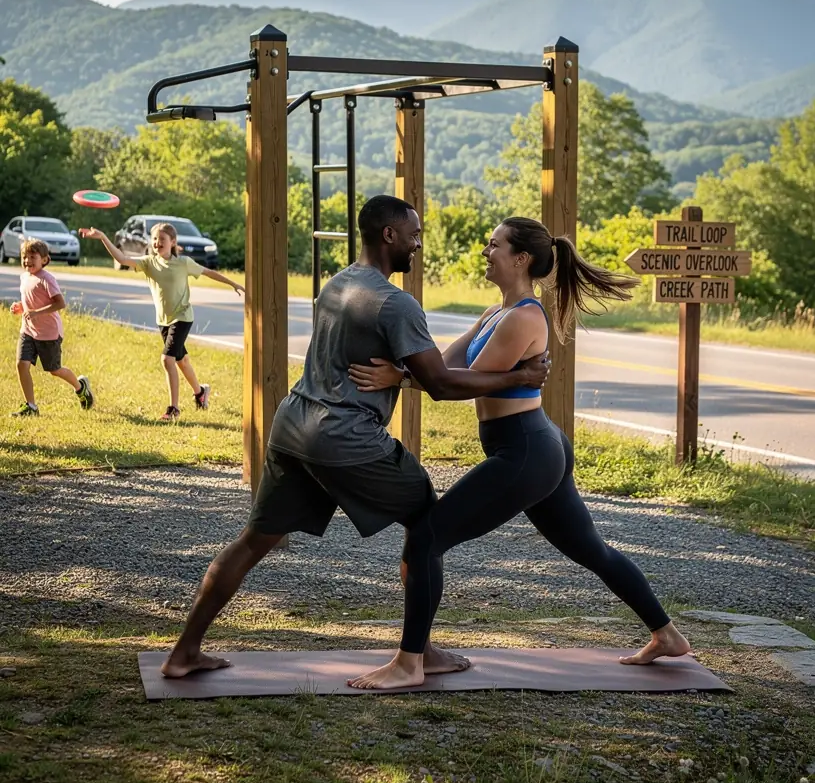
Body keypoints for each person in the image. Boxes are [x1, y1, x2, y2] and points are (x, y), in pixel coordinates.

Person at [160, 195, 550, 679]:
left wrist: (404, 375)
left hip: (293, 427)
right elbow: (442, 384)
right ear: (389, 236)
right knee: (426, 521)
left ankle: (184, 653)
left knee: (254, 540)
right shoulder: (396, 303)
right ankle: (420, 653)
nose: (418, 244)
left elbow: (422, 371)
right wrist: (520, 377)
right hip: (344, 436)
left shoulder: (338, 284)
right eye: (413, 235)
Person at [346, 216, 691, 689]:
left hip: (525, 451)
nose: (486, 252)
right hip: (535, 446)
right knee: (591, 550)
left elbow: (461, 385)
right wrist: (408, 371)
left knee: (426, 538)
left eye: (494, 245)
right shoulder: (496, 312)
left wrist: (400, 379)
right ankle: (666, 635)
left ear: (520, 258)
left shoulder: (525, 317)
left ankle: (410, 662)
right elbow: (446, 365)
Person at [80, 222, 244, 421]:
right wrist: (103, 237)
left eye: (162, 239)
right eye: (155, 239)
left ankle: (173, 409)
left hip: (182, 316)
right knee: (182, 361)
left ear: (173, 242)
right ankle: (201, 392)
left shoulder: (183, 263)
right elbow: (121, 258)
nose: (157, 242)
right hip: (163, 321)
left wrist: (233, 283)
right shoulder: (149, 262)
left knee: (167, 359)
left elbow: (209, 272)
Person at [10, 238, 94, 417]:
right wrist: (21, 307)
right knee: (21, 364)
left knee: (54, 370)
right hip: (28, 331)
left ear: (45, 260)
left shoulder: (47, 279)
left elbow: (60, 303)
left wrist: (36, 312)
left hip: (49, 334)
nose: (28, 261)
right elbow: (30, 300)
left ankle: (81, 388)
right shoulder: (24, 277)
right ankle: (31, 406)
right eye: (25, 256)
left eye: (33, 257)